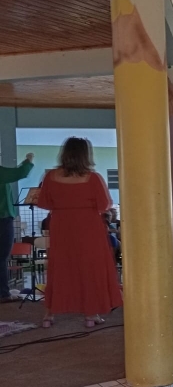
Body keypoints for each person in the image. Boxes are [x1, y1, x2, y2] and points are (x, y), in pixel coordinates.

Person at [37, 138, 122, 327]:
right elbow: (104, 204)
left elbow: (44, 203)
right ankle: (90, 315)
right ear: (86, 154)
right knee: (89, 268)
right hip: (88, 227)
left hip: (61, 226)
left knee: (60, 267)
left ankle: (49, 315)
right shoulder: (93, 178)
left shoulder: (50, 177)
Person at [0, 152, 34, 303]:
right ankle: (3, 293)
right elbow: (19, 173)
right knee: (2, 257)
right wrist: (28, 161)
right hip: (2, 218)